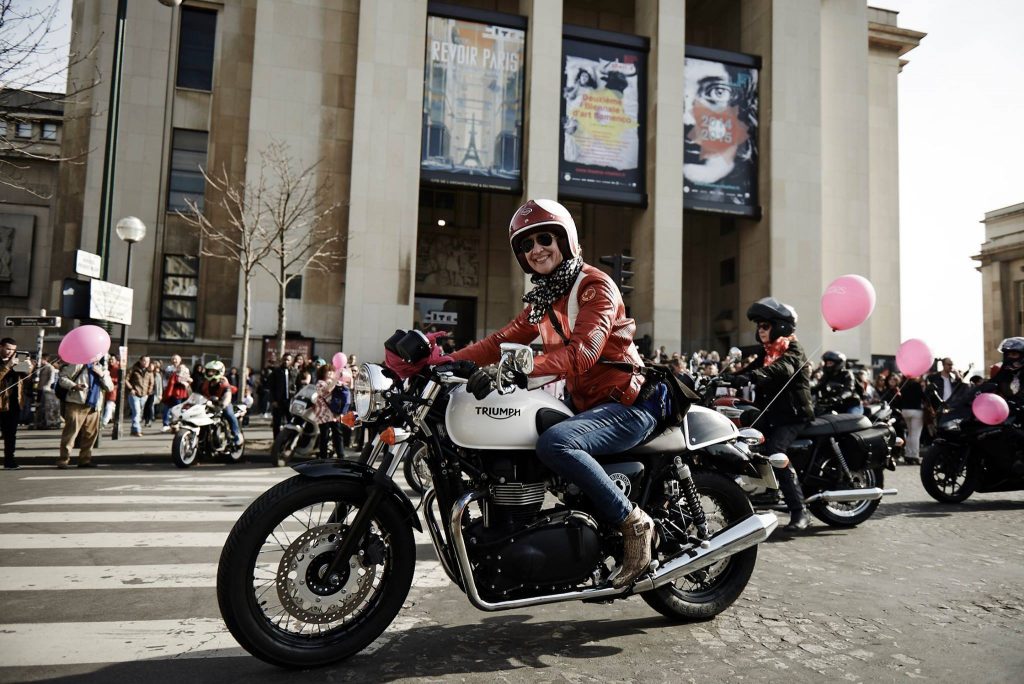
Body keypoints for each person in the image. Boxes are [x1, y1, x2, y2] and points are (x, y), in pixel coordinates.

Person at [450, 199, 663, 588]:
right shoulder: (544, 299)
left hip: (627, 402)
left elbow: (584, 353)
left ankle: (634, 524)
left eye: (544, 238)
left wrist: (524, 364)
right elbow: (500, 341)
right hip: (588, 405)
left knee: (556, 444)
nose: (536, 250)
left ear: (566, 240)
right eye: (526, 245)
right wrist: (440, 362)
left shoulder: (594, 286)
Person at [729, 298, 814, 531]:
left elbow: (782, 368)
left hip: (793, 416)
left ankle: (800, 511)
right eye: (758, 326)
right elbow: (748, 369)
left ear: (780, 326)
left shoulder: (793, 349)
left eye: (764, 326)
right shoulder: (766, 352)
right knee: (742, 438)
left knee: (776, 452)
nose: (760, 330)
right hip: (773, 414)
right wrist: (726, 377)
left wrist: (752, 377)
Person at [56, 356, 113, 468]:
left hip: (94, 406)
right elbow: (62, 379)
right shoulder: (78, 364)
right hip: (76, 403)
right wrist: (74, 386)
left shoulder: (102, 369)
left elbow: (109, 387)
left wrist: (101, 375)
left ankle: (85, 460)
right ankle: (63, 459)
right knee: (70, 433)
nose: (96, 357)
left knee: (90, 435)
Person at [1, 338, 35, 469]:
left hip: (13, 403)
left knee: (10, 434)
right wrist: (8, 366)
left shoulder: (18, 358)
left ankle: (9, 461)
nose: (11, 352)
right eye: (8, 349)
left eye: (13, 350)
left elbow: (26, 379)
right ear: (1, 347)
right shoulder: (6, 362)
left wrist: (28, 367)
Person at [199, 360, 241, 446]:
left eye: (213, 371)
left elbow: (228, 394)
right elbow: (197, 393)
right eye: (209, 370)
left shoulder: (223, 382)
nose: (210, 373)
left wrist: (223, 404)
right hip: (208, 404)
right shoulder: (205, 383)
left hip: (222, 404)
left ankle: (237, 435)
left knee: (229, 413)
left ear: (220, 371)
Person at [888, 373, 926, 465]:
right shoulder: (917, 385)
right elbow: (923, 397)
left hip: (905, 411)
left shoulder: (903, 384)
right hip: (916, 411)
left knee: (910, 433)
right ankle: (914, 455)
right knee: (915, 435)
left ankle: (908, 454)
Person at [312, 364, 343, 459]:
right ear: (322, 373)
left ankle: (341, 455)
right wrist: (336, 380)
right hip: (323, 414)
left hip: (334, 413)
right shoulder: (320, 383)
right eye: (328, 371)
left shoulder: (335, 382)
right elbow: (328, 389)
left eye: (332, 371)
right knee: (324, 436)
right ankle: (323, 457)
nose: (330, 373)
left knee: (338, 434)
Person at [125, 356, 154, 436]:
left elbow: (151, 382)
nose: (146, 363)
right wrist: (131, 389)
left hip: (144, 395)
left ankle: (133, 430)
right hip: (134, 394)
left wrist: (148, 392)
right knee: (137, 412)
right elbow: (126, 379)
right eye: (144, 361)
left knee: (138, 413)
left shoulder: (149, 371)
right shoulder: (133, 369)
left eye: (148, 361)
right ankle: (138, 430)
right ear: (140, 361)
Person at [269, 353, 294, 438]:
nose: (286, 362)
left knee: (292, 422)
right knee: (277, 423)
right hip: (278, 401)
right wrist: (273, 400)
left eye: (288, 360)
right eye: (285, 359)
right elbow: (271, 387)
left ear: (291, 361)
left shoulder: (294, 372)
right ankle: (276, 442)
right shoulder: (276, 372)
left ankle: (290, 441)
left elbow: (297, 386)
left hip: (290, 401)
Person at [34, 353, 62, 430]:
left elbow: (51, 378)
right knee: (39, 406)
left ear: (45, 359)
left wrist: (47, 386)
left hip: (46, 390)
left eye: (41, 359)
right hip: (40, 389)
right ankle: (39, 422)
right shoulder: (41, 367)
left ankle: (47, 422)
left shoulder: (50, 367)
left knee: (45, 407)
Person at [162, 363, 192, 431]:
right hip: (175, 395)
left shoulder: (184, 376)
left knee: (176, 411)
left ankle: (175, 425)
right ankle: (171, 425)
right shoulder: (175, 375)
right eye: (179, 368)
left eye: (182, 368)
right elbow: (171, 385)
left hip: (179, 395)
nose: (181, 369)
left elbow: (189, 383)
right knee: (173, 410)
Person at [100, 356, 120, 427]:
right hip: (107, 390)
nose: (111, 361)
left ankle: (104, 422)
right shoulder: (108, 367)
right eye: (110, 359)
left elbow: (119, 380)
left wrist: (110, 379)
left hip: (113, 390)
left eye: (112, 359)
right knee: (111, 407)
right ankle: (110, 419)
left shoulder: (117, 368)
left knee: (109, 406)